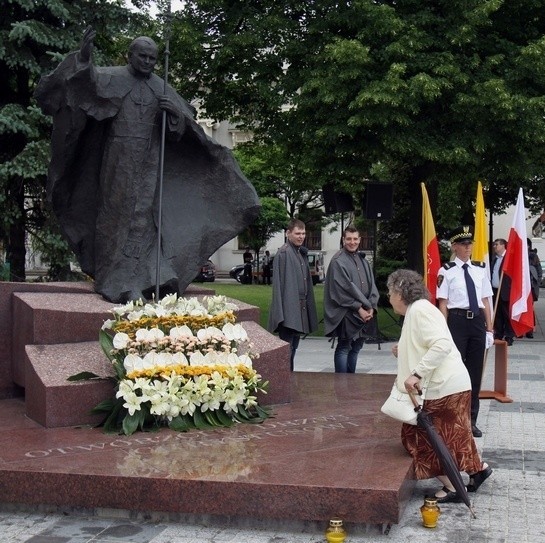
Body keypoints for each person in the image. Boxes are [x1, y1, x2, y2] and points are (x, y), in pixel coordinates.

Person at [34, 28, 260, 303]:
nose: (148, 62)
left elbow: (181, 129)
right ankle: (112, 281)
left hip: (150, 160)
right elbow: (86, 84)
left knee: (143, 220)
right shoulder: (114, 77)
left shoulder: (161, 87)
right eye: (142, 56)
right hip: (119, 158)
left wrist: (174, 114)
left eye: (153, 58)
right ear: (130, 56)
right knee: (114, 217)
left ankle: (143, 280)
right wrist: (83, 56)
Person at [387, 269, 492, 503]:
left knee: (417, 437)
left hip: (444, 388)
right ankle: (478, 470)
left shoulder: (419, 311)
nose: (388, 297)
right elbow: (427, 343)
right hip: (453, 384)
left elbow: (441, 345)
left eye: (390, 291)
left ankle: (453, 486)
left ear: (400, 292)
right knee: (455, 436)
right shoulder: (421, 309)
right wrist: (403, 350)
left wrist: (416, 374)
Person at [436, 226, 493, 438]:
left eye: (470, 244)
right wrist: (444, 328)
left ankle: (472, 420)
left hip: (477, 322)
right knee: (454, 371)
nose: (468, 247)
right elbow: (443, 302)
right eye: (463, 244)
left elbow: (486, 300)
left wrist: (489, 329)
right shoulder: (447, 271)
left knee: (475, 373)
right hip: (457, 322)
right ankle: (453, 417)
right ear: (455, 247)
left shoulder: (480, 269)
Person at [323, 225, 379, 373]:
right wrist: (359, 308)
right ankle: (341, 385)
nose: (352, 242)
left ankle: (351, 383)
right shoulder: (338, 261)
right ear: (343, 240)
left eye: (355, 239)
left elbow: (372, 285)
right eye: (349, 239)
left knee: (356, 348)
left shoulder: (362, 260)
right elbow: (342, 290)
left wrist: (371, 306)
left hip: (365, 313)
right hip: (347, 314)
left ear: (359, 240)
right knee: (344, 347)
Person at [268, 218, 318, 370]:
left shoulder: (299, 253)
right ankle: (284, 381)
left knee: (294, 348)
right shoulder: (284, 254)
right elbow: (278, 287)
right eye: (298, 233)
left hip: (299, 310)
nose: (301, 237)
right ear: (288, 233)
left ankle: (289, 377)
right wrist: (281, 315)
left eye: (303, 233)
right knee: (287, 350)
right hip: (289, 312)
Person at [490, 239, 514, 344]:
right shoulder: (495, 259)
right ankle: (498, 334)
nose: (494, 246)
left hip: (505, 291)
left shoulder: (509, 258)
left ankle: (509, 336)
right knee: (497, 314)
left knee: (506, 314)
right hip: (495, 290)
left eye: (497, 244)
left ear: (503, 245)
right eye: (494, 244)